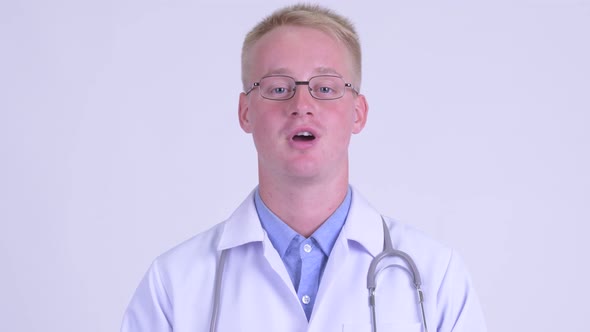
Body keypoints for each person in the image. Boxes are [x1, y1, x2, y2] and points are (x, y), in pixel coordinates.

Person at [121, 4, 487, 331]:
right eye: (278, 89)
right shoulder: (173, 284)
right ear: (245, 112)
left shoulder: (435, 276)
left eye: (325, 89)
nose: (301, 104)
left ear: (358, 113)